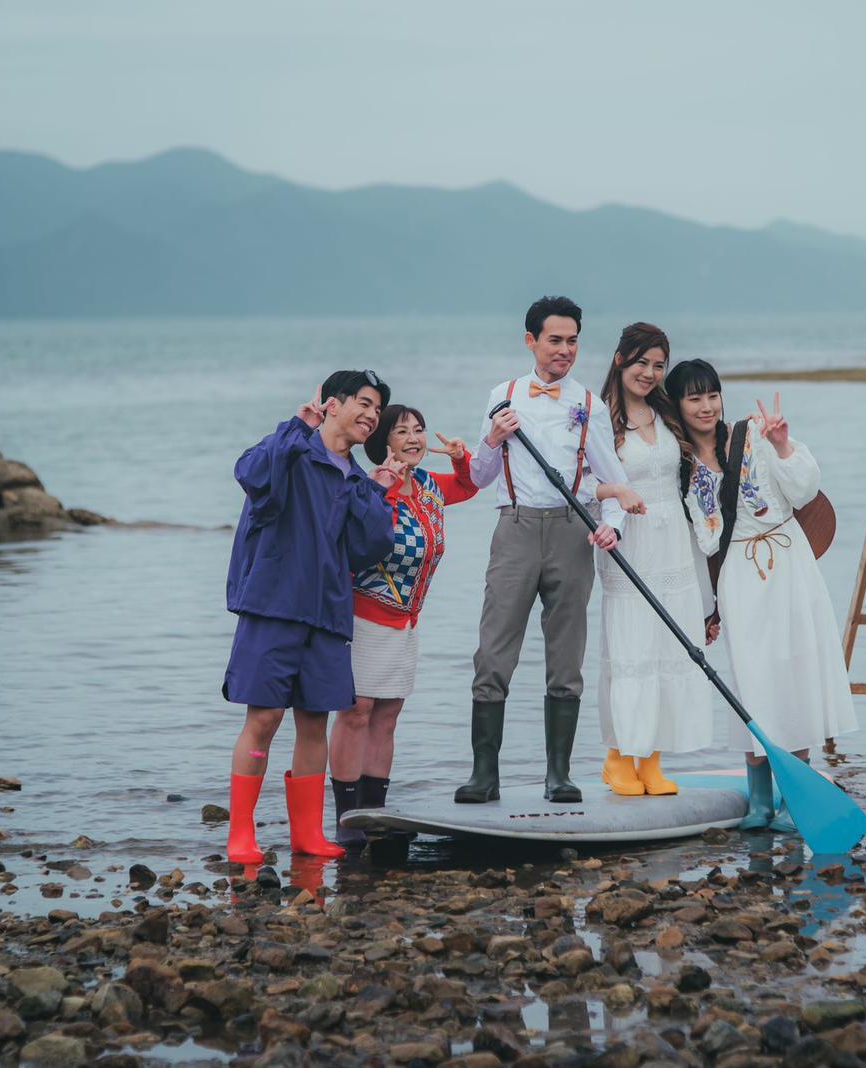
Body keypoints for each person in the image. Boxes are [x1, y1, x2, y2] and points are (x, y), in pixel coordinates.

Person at [222, 370, 407, 863]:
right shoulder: (293, 450)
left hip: (327, 612)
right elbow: (249, 473)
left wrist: (378, 491)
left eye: (377, 409)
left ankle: (307, 834)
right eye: (364, 403)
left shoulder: (358, 479)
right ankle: (241, 835)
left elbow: (369, 547)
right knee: (264, 718)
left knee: (314, 722)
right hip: (274, 606)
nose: (372, 415)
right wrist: (294, 428)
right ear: (332, 404)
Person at [665, 359, 857, 831]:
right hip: (739, 576)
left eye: (712, 395)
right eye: (694, 398)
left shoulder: (751, 435)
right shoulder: (682, 467)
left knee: (796, 673)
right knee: (751, 680)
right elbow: (701, 545)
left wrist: (783, 443)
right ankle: (758, 802)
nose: (706, 406)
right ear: (677, 406)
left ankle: (794, 797)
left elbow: (804, 489)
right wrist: (706, 609)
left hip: (789, 565)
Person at [456, 296, 629, 804]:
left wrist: (612, 526)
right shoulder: (504, 395)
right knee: (493, 652)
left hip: (572, 532)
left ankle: (559, 775)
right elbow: (481, 477)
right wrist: (492, 439)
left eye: (573, 341)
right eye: (555, 340)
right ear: (530, 341)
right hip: (514, 528)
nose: (565, 350)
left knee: (567, 656)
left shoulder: (590, 405)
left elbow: (613, 481)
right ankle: (484, 776)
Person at [328, 404, 478, 844]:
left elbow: (468, 485)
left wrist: (460, 457)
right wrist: (382, 489)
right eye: (402, 431)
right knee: (356, 712)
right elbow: (352, 538)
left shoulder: (429, 485)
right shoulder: (368, 486)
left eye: (419, 430)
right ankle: (347, 820)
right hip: (364, 615)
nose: (414, 438)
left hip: (407, 621)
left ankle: (374, 813)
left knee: (388, 715)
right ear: (383, 442)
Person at [592, 323, 714, 797]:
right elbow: (581, 483)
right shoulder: (599, 418)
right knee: (633, 649)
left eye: (658, 365)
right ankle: (620, 756)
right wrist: (615, 494)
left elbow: (704, 449)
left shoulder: (667, 412)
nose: (649, 372)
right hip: (629, 540)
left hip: (675, 543)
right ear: (620, 359)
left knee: (670, 646)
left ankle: (653, 758)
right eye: (641, 362)